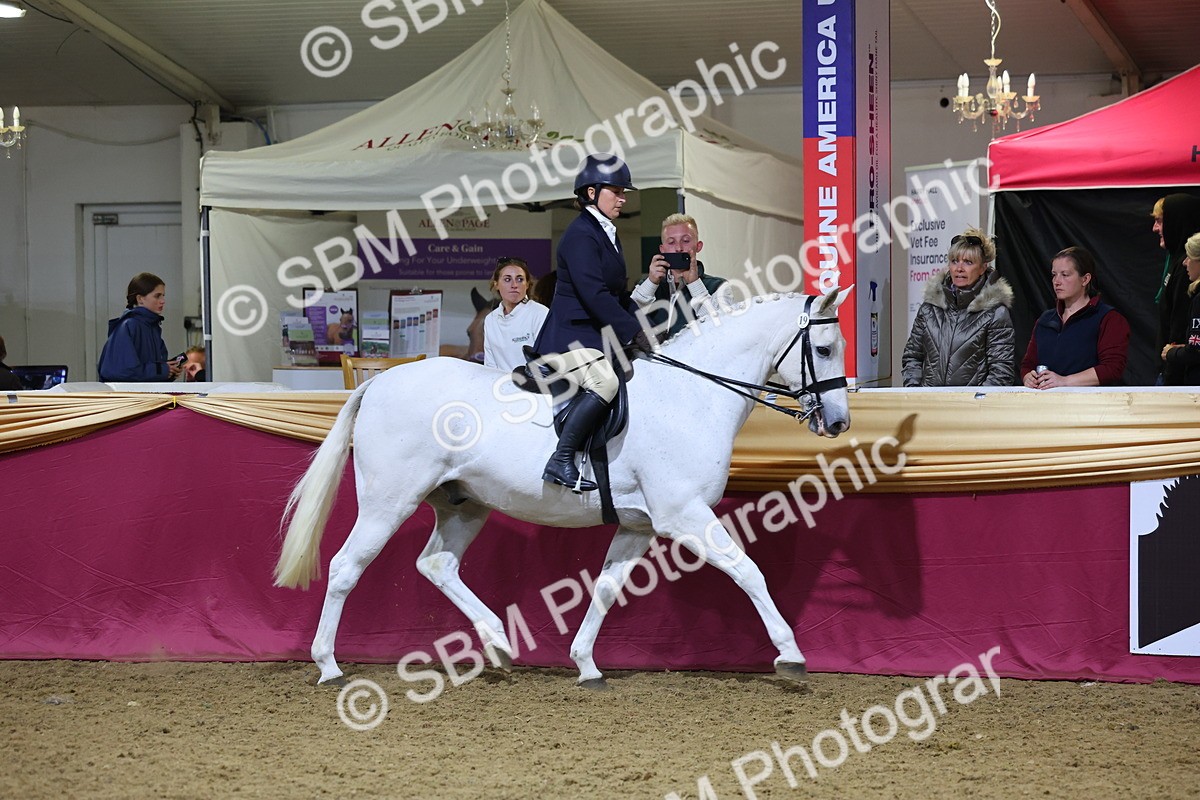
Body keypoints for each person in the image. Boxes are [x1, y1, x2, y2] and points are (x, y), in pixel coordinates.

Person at [531, 153, 656, 492]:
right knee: (606, 384)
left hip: (592, 340)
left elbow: (616, 295)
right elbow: (594, 295)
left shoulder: (606, 233)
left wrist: (645, 330)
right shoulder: (580, 235)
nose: (623, 198)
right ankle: (561, 458)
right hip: (567, 340)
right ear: (591, 192)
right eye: (615, 191)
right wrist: (632, 331)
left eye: (623, 191)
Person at [901, 228, 1015, 386]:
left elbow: (1001, 371)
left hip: (971, 408)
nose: (959, 268)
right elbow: (912, 357)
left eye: (968, 262)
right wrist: (915, 393)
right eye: (954, 261)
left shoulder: (996, 313)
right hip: (928, 406)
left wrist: (975, 405)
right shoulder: (930, 308)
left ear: (983, 268)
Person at [1020, 247, 1130, 388]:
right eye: (1054, 275)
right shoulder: (1045, 320)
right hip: (1046, 405)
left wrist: (1065, 381)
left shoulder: (1109, 318)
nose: (1056, 281)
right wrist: (1028, 376)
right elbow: (1028, 364)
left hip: (1089, 405)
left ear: (1085, 279)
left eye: (1065, 275)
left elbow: (1112, 368)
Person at [630, 213, 732, 337]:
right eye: (671, 242)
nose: (678, 248)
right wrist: (651, 282)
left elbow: (721, 329)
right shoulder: (647, 286)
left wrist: (695, 284)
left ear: (698, 246)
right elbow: (629, 318)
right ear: (662, 249)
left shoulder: (718, 286)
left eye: (685, 241)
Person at [97, 272, 182, 383]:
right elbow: (119, 371)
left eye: (163, 295)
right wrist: (163, 370)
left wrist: (170, 372)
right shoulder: (130, 326)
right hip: (130, 399)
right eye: (157, 296)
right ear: (140, 299)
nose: (163, 301)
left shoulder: (152, 327)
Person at [1156, 194, 1200, 383]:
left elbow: (1182, 327)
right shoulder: (1176, 262)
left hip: (1181, 377)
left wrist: (1173, 357)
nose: (1155, 228)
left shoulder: (1186, 271)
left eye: (1160, 221)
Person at [483, 257, 549, 372]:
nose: (514, 285)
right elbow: (490, 365)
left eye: (519, 279)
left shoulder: (540, 314)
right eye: (507, 280)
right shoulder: (491, 319)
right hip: (500, 387)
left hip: (533, 386)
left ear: (527, 284)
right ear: (496, 284)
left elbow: (547, 363)